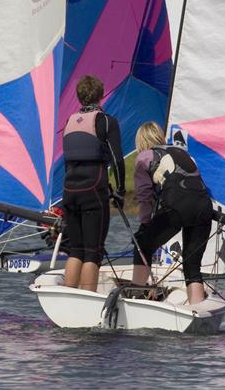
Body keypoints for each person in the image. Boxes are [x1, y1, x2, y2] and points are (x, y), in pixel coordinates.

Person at [131, 121, 214, 305]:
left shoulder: (145, 157)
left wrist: (145, 227)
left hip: (178, 207)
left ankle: (135, 297)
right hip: (203, 208)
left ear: (141, 141)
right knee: (192, 267)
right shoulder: (182, 153)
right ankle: (197, 309)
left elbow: (144, 197)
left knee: (141, 245)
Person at [61, 75, 125, 292]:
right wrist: (121, 190)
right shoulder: (106, 121)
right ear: (100, 95)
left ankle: (69, 295)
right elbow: (117, 159)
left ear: (79, 97)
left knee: (75, 249)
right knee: (93, 251)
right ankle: (88, 298)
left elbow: (66, 161)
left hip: (69, 190)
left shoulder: (69, 121)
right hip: (93, 189)